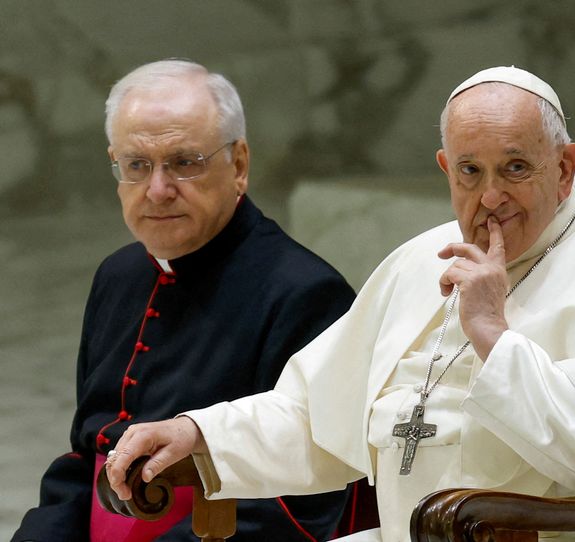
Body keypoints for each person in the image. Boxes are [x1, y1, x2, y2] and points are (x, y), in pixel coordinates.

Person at [106, 66, 575, 542]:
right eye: (470, 172)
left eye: (515, 168)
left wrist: (492, 335)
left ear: (564, 168)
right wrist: (201, 432)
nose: (490, 196)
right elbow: (316, 416)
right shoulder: (420, 262)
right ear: (446, 169)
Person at [13, 60, 356, 542]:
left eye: (184, 162)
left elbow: (302, 505)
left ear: (238, 165)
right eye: (137, 165)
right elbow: (85, 452)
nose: (158, 189)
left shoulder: (305, 293)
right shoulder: (119, 274)